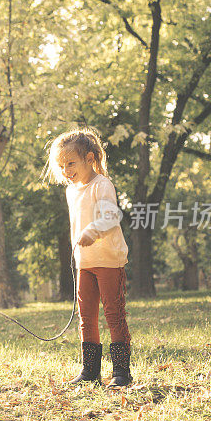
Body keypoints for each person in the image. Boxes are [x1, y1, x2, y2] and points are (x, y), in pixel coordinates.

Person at [45, 128, 133, 387]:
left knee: (114, 313)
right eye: (61, 165)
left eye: (71, 163)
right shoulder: (71, 191)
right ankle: (90, 370)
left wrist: (90, 232)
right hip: (85, 262)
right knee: (87, 316)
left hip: (108, 260)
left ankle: (121, 372)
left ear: (91, 159)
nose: (65, 170)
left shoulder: (102, 185)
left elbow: (109, 216)